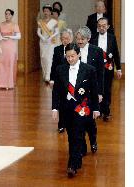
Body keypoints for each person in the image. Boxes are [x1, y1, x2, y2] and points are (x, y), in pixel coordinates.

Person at [52, 43, 100, 177]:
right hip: (66, 108)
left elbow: (94, 91)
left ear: (78, 54)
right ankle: (77, 160)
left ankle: (72, 165)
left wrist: (96, 108)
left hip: (82, 108)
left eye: (73, 56)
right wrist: (55, 108)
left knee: (78, 135)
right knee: (72, 136)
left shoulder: (89, 70)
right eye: (68, 57)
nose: (70, 59)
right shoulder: (60, 69)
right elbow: (56, 91)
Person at [75, 26, 104, 155]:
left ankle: (93, 141)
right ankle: (82, 146)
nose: (79, 41)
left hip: (92, 91)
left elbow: (101, 74)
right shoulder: (73, 50)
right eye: (78, 38)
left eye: (82, 39)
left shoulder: (97, 51)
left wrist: (100, 93)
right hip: (77, 91)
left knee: (90, 121)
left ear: (88, 38)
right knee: (78, 120)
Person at [90, 17, 122, 121]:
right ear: (97, 27)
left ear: (107, 26)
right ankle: (97, 110)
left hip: (108, 68)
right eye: (99, 26)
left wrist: (119, 69)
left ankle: (106, 112)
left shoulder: (112, 38)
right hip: (96, 69)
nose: (101, 28)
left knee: (107, 90)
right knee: (96, 89)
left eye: (104, 26)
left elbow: (116, 54)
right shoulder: (93, 38)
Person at [50, 28, 73, 133]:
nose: (65, 40)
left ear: (71, 38)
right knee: (61, 102)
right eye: (63, 38)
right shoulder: (57, 49)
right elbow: (54, 65)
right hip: (60, 80)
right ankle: (61, 124)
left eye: (67, 38)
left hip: (72, 79)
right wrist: (52, 79)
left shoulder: (75, 49)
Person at [0, 8, 21, 90]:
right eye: (6, 14)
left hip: (11, 46)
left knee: (10, 63)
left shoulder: (15, 25)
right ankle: (1, 83)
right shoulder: (1, 24)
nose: (7, 15)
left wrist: (10, 36)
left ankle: (10, 83)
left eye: (9, 14)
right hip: (3, 45)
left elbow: (19, 36)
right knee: (2, 63)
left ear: (12, 15)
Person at [37, 4, 59, 83]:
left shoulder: (54, 22)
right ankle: (45, 74)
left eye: (47, 11)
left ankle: (48, 76)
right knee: (43, 58)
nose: (46, 12)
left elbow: (57, 32)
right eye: (44, 11)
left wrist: (50, 37)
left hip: (50, 42)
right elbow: (38, 32)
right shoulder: (40, 22)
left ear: (50, 12)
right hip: (43, 42)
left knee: (49, 58)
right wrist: (42, 38)